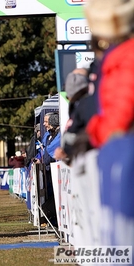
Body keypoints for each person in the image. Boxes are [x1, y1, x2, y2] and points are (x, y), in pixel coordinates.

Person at [84, 0, 134, 253]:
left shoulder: (125, 59)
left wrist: (93, 131)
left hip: (124, 153)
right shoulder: (115, 60)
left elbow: (119, 117)